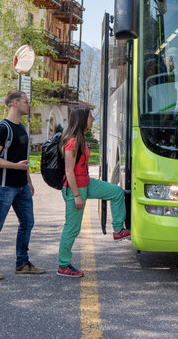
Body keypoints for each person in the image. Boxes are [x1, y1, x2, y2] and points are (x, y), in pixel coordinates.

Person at [0, 90, 45, 280]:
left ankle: (22, 264)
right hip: (4, 186)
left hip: (21, 186)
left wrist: (28, 180)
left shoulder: (21, 128)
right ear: (15, 103)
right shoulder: (3, 129)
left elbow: (23, 159)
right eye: (26, 101)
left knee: (27, 223)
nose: (28, 105)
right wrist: (16, 166)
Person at [57, 106, 130, 278]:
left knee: (116, 192)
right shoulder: (72, 141)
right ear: (82, 119)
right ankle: (63, 265)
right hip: (75, 188)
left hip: (87, 183)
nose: (93, 119)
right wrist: (76, 196)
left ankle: (118, 230)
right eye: (90, 116)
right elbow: (69, 171)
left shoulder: (80, 138)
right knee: (72, 228)